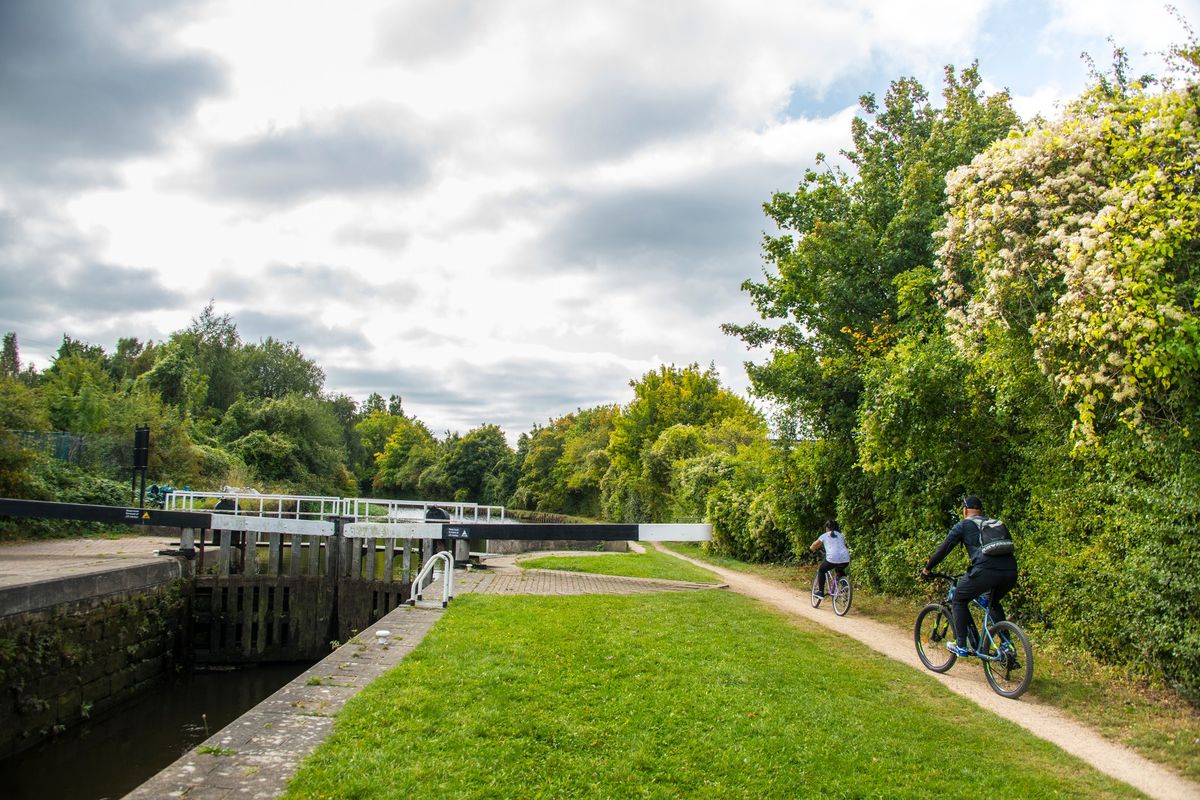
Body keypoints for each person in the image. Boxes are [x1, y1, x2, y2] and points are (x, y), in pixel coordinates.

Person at [921, 495, 1018, 656]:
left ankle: (961, 645)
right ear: (981, 511)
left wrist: (927, 569)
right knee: (991, 602)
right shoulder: (995, 524)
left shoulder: (964, 525)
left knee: (959, 598)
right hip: (1010, 571)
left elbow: (943, 550)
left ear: (964, 510)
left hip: (986, 570)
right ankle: (1007, 645)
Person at [810, 520, 850, 597]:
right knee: (839, 569)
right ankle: (845, 587)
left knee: (821, 570)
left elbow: (814, 545)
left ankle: (820, 592)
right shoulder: (841, 535)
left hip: (832, 557)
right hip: (845, 558)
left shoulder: (825, 535)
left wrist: (811, 548)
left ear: (828, 528)